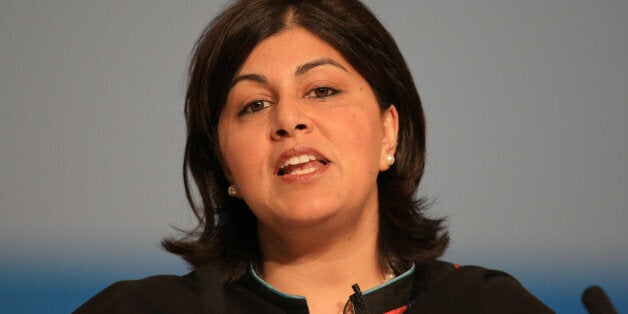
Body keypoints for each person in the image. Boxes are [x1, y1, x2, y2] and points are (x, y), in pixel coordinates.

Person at [75, 0, 553, 313]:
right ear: (225, 165)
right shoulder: (143, 308)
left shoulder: (485, 304)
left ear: (389, 133)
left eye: (322, 90)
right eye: (254, 105)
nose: (289, 119)